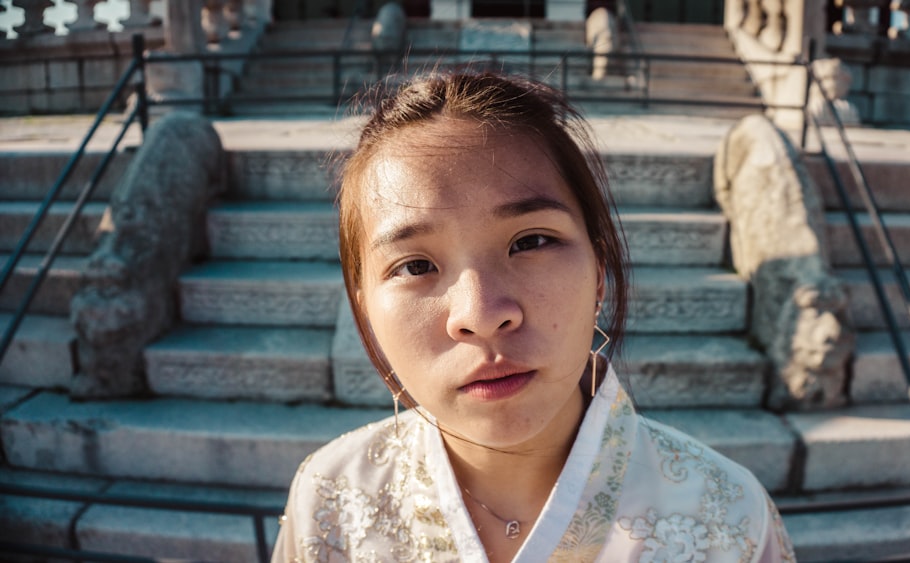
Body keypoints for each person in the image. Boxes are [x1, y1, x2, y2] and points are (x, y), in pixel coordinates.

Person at [271, 71, 796, 563]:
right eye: (414, 265)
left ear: (599, 270)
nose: (480, 315)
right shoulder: (330, 502)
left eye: (532, 241)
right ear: (363, 302)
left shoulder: (729, 517)